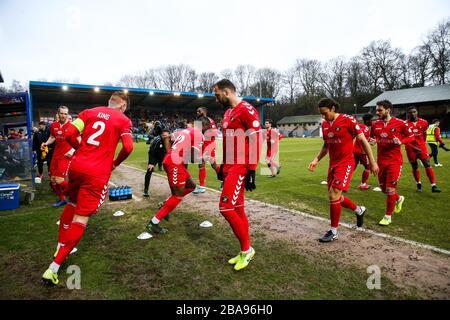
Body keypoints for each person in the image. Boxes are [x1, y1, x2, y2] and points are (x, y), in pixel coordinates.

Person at [41, 91, 133, 286]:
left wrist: (81, 149)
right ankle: (53, 268)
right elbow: (128, 147)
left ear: (109, 102)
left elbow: (68, 133)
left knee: (72, 203)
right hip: (97, 173)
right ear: (123, 106)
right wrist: (115, 163)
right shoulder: (123, 120)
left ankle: (60, 246)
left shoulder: (89, 112)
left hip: (77, 166)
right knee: (81, 217)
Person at [309, 98, 378, 242]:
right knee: (335, 197)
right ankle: (359, 210)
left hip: (345, 163)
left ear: (333, 108)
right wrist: (316, 160)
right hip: (332, 164)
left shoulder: (348, 120)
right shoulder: (325, 124)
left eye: (325, 113)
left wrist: (372, 162)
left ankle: (333, 232)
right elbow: (326, 146)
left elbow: (363, 141)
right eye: (321, 114)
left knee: (333, 195)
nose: (323, 117)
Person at [213, 79, 262, 271]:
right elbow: (227, 142)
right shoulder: (227, 113)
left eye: (217, 94)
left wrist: (251, 170)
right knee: (238, 208)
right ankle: (245, 250)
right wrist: (223, 167)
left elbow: (257, 139)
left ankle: (247, 250)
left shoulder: (247, 110)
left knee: (225, 208)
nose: (216, 98)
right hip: (230, 166)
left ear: (226, 92)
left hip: (241, 166)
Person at [146, 117, 211, 234]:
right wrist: (203, 158)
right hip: (175, 164)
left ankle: (165, 203)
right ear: (205, 126)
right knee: (178, 196)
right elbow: (192, 157)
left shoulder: (184, 131)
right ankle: (153, 223)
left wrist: (169, 153)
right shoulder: (199, 135)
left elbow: (166, 138)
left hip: (175, 162)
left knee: (191, 186)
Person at [370, 100, 415, 226]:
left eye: (380, 110)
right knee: (384, 189)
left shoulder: (400, 123)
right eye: (376, 110)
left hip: (395, 162)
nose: (377, 112)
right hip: (381, 161)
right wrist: (372, 141)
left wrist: (401, 141)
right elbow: (372, 138)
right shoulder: (375, 124)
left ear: (388, 110)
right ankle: (399, 198)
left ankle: (387, 216)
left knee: (390, 189)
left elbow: (411, 136)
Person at [41, 106, 76, 207]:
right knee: (52, 180)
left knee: (59, 180)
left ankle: (74, 195)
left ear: (68, 115)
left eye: (66, 114)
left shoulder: (72, 126)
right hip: (56, 155)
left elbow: (79, 140)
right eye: (62, 113)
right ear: (58, 114)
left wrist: (72, 150)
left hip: (66, 156)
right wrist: (46, 143)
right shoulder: (54, 125)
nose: (64, 116)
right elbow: (52, 137)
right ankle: (63, 199)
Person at [406, 107, 441, 193]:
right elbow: (404, 138)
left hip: (421, 147)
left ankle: (433, 186)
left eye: (414, 112)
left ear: (417, 112)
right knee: (414, 166)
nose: (413, 114)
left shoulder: (424, 122)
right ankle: (418, 183)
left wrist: (421, 144)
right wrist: (414, 147)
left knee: (427, 164)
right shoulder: (404, 124)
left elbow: (424, 135)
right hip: (410, 148)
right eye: (410, 113)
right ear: (408, 114)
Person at [192, 107, 218, 194]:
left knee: (213, 164)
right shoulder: (198, 121)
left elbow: (214, 132)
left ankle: (223, 180)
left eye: (199, 111)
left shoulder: (209, 120)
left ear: (204, 111)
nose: (197, 112)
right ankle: (202, 186)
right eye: (197, 111)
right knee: (201, 164)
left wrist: (204, 133)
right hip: (201, 146)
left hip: (209, 145)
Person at [143, 129, 171, 197]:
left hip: (165, 156)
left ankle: (174, 189)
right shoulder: (157, 140)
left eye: (167, 136)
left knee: (171, 172)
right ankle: (146, 190)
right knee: (149, 170)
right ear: (161, 135)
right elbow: (151, 152)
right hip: (155, 156)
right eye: (164, 136)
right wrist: (151, 163)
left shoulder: (171, 140)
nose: (165, 137)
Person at [353, 114, 374, 190]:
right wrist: (371, 142)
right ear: (367, 120)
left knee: (352, 167)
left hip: (354, 151)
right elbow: (363, 141)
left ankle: (341, 182)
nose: (372, 121)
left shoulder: (359, 126)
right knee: (368, 167)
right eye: (371, 120)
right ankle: (363, 184)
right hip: (362, 152)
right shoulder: (365, 129)